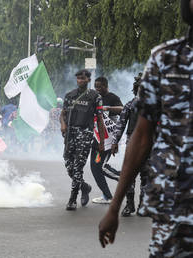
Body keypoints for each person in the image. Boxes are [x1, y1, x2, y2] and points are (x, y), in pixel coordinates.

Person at [99, 1, 193, 256]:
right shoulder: (165, 60)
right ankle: (133, 204)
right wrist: (113, 207)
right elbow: (140, 135)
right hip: (175, 205)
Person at [60, 69, 105, 211]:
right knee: (69, 166)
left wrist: (102, 142)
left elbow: (100, 120)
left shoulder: (95, 96)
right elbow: (62, 114)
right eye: (78, 78)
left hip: (85, 133)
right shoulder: (69, 95)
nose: (80, 80)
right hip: (70, 134)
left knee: (78, 166)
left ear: (88, 80)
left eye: (83, 78)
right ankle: (84, 187)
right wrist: (63, 124)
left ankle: (73, 198)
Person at [111, 73, 149, 217]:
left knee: (146, 176)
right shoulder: (129, 105)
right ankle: (129, 205)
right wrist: (115, 142)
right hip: (132, 144)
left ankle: (143, 206)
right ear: (136, 89)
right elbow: (120, 124)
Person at [90, 77, 123, 204]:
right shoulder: (94, 98)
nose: (97, 89)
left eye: (99, 86)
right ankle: (107, 196)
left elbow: (122, 110)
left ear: (105, 86)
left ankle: (122, 178)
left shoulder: (112, 97)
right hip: (96, 139)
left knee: (100, 167)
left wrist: (106, 108)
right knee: (95, 168)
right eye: (95, 86)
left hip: (108, 140)